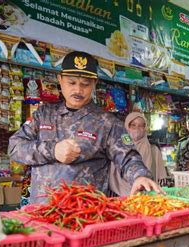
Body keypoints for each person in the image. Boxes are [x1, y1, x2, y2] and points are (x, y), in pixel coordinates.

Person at [8, 51, 162, 203]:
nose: (78, 90)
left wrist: (140, 175)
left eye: (85, 84)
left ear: (94, 84)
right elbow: (15, 147)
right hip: (42, 212)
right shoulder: (43, 114)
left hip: (86, 214)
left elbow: (128, 157)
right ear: (60, 80)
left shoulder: (108, 123)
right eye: (72, 82)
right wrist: (52, 150)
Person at [109, 112, 168, 196]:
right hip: (118, 197)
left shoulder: (153, 150)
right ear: (126, 127)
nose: (137, 128)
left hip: (146, 198)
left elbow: (161, 178)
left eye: (141, 126)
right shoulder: (117, 149)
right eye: (133, 125)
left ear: (145, 128)